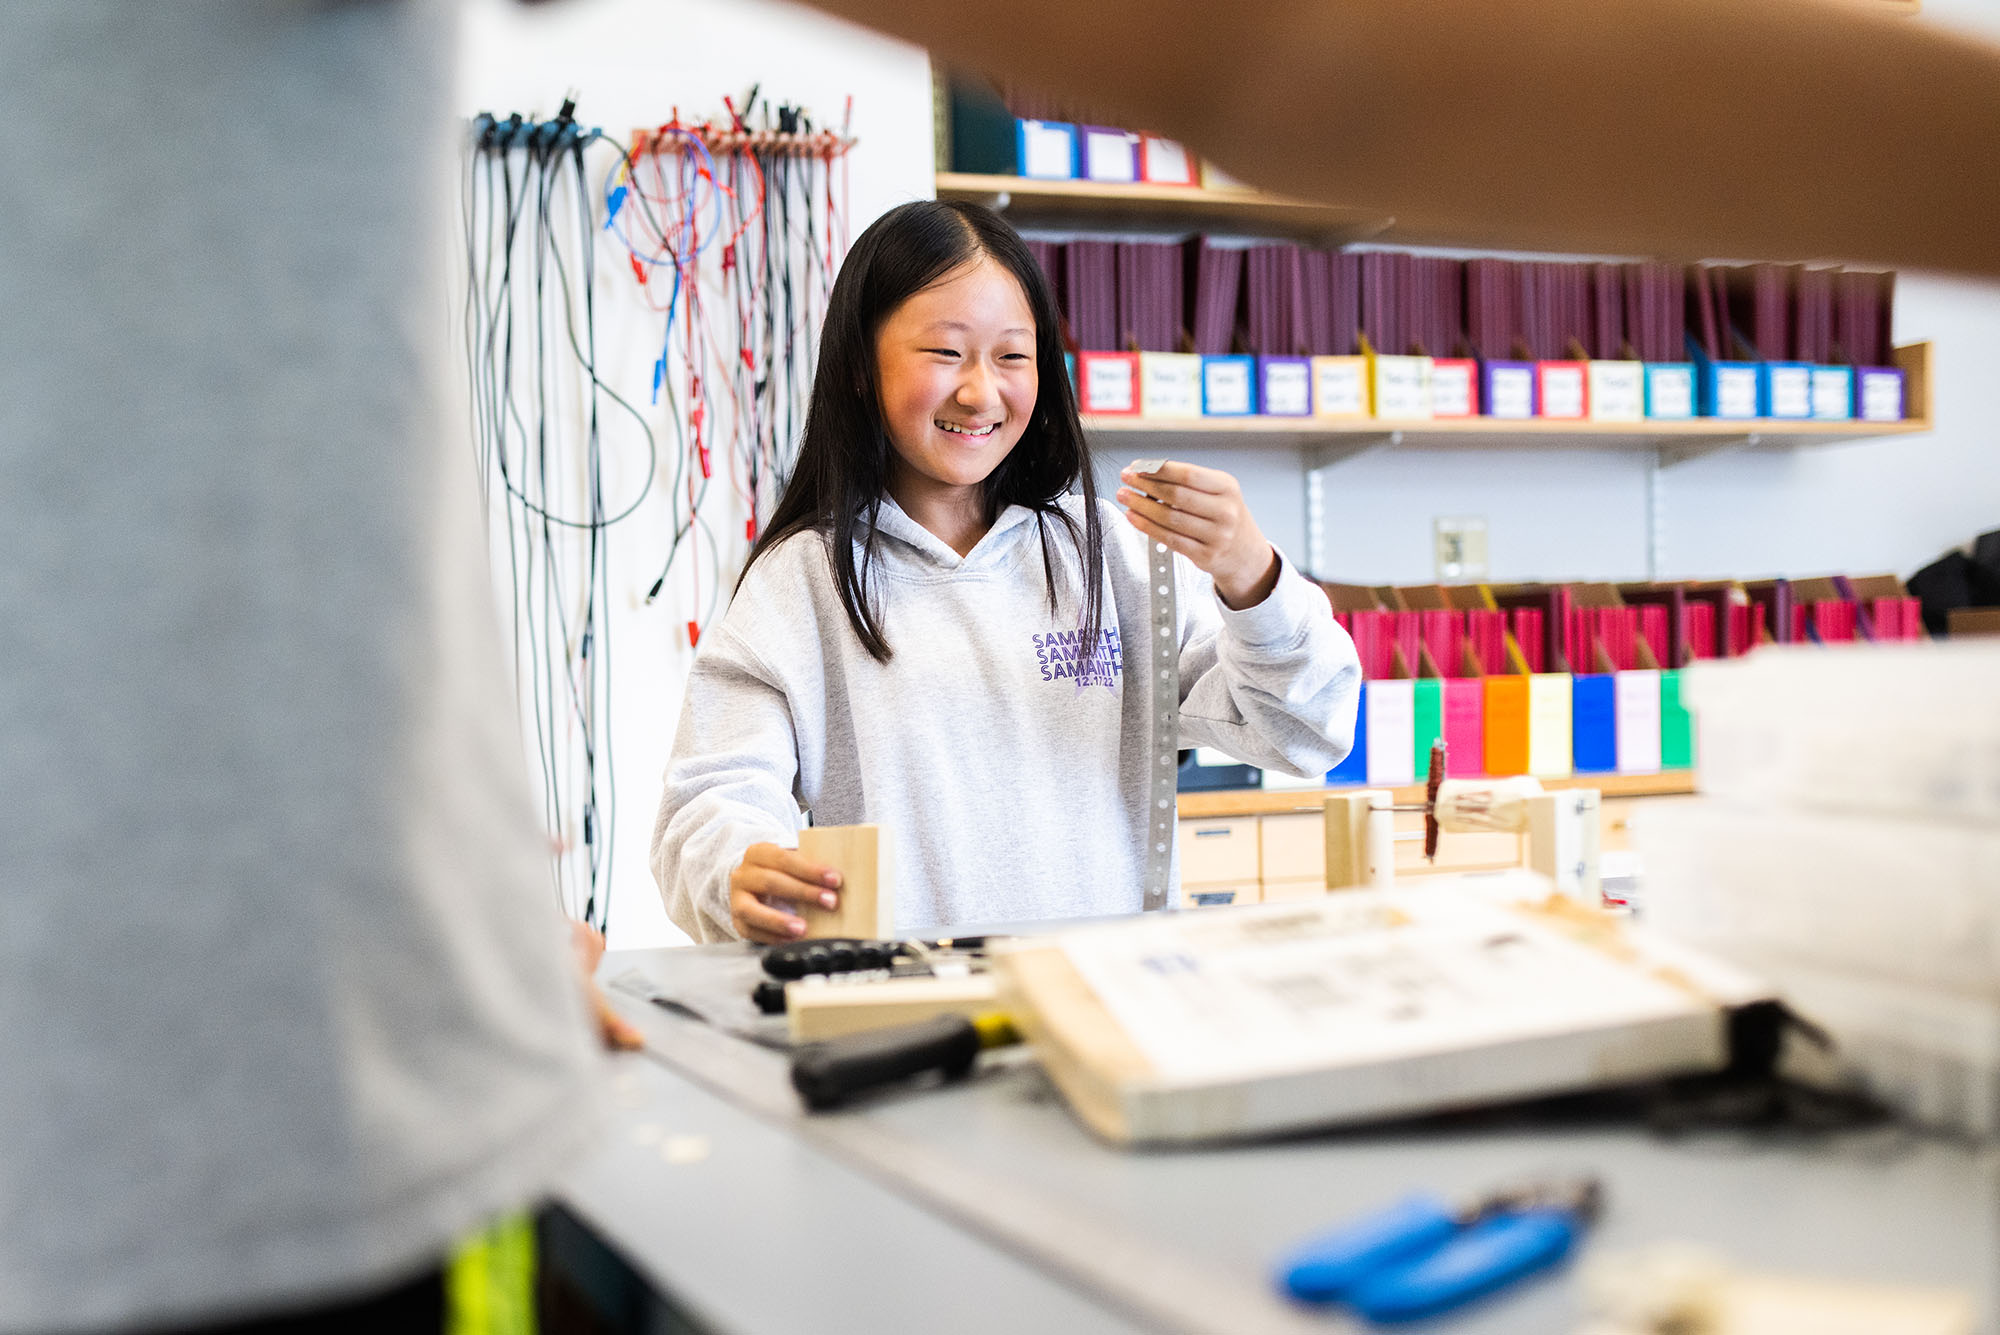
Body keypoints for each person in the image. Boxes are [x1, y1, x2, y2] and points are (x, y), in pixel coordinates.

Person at [650, 200, 1360, 943]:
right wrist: (738, 866)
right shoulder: (803, 583)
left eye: (1012, 356)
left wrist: (1253, 575)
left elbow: (1306, 731)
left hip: (1109, 1008)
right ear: (862, 368)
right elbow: (710, 799)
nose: (981, 391)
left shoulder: (1111, 556)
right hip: (903, 1021)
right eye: (946, 353)